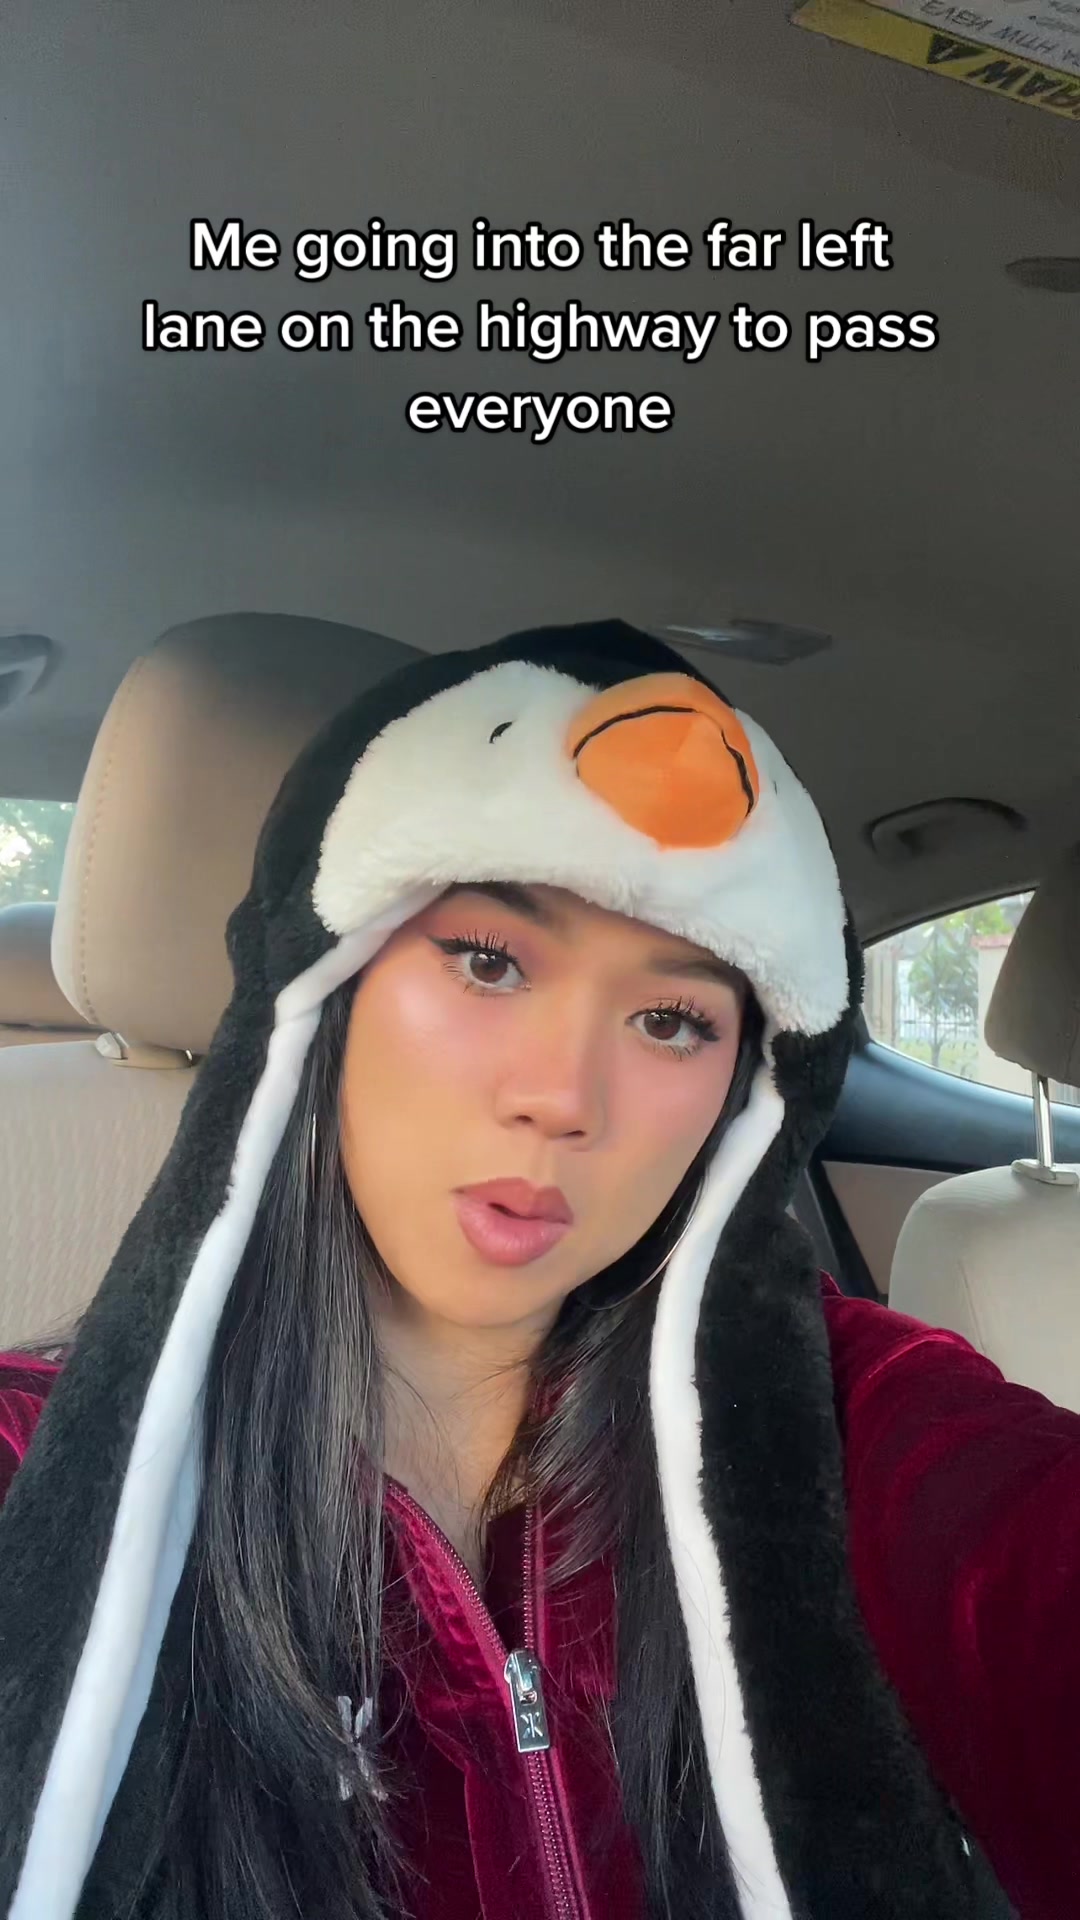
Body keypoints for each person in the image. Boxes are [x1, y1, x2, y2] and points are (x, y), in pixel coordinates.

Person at [0, 620, 1073, 1920]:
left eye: (670, 1019)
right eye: (487, 960)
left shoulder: (822, 1412)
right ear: (330, 988)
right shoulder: (40, 1468)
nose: (563, 1098)